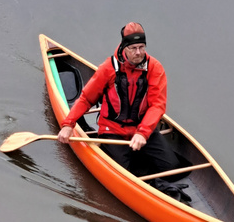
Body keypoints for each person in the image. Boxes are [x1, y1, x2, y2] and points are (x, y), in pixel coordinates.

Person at [57, 22, 191, 203]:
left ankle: (148, 168)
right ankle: (146, 177)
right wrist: (68, 124)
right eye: (133, 48)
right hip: (112, 131)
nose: (138, 53)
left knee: (174, 169)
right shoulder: (108, 69)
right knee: (129, 175)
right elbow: (86, 99)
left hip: (143, 130)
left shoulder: (154, 68)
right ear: (124, 47)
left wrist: (143, 133)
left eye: (142, 47)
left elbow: (157, 105)